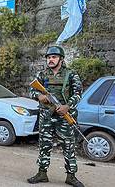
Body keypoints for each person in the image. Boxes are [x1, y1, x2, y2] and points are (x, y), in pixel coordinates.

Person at [27, 46, 84, 187]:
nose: (50, 60)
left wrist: (67, 106)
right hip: (46, 116)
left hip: (64, 117)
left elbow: (78, 94)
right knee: (44, 145)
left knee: (69, 146)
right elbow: (31, 91)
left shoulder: (71, 74)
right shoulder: (42, 74)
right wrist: (39, 96)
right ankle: (42, 173)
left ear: (61, 59)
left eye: (54, 57)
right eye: (49, 57)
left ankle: (71, 176)